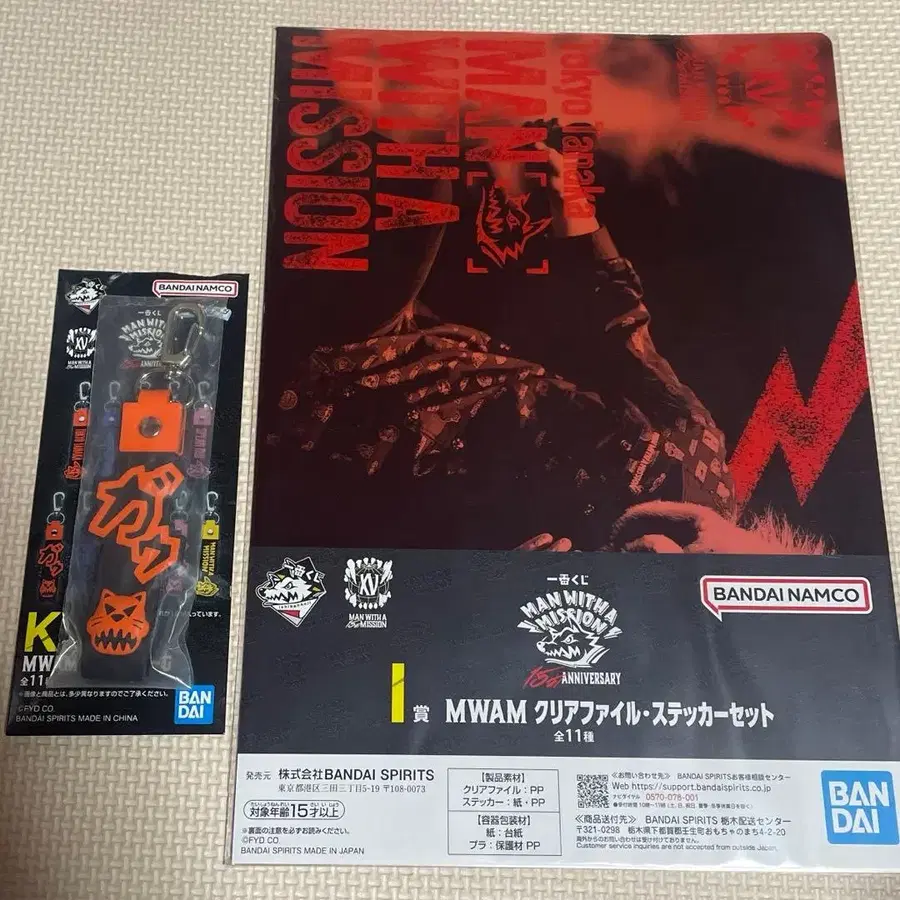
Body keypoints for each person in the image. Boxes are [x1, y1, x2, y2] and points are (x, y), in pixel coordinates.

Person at [272, 143, 736, 551]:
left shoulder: (573, 597)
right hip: (390, 346)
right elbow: (623, 330)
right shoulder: (697, 466)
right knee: (420, 178)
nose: (663, 556)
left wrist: (502, 582)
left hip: (329, 456)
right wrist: (567, 193)